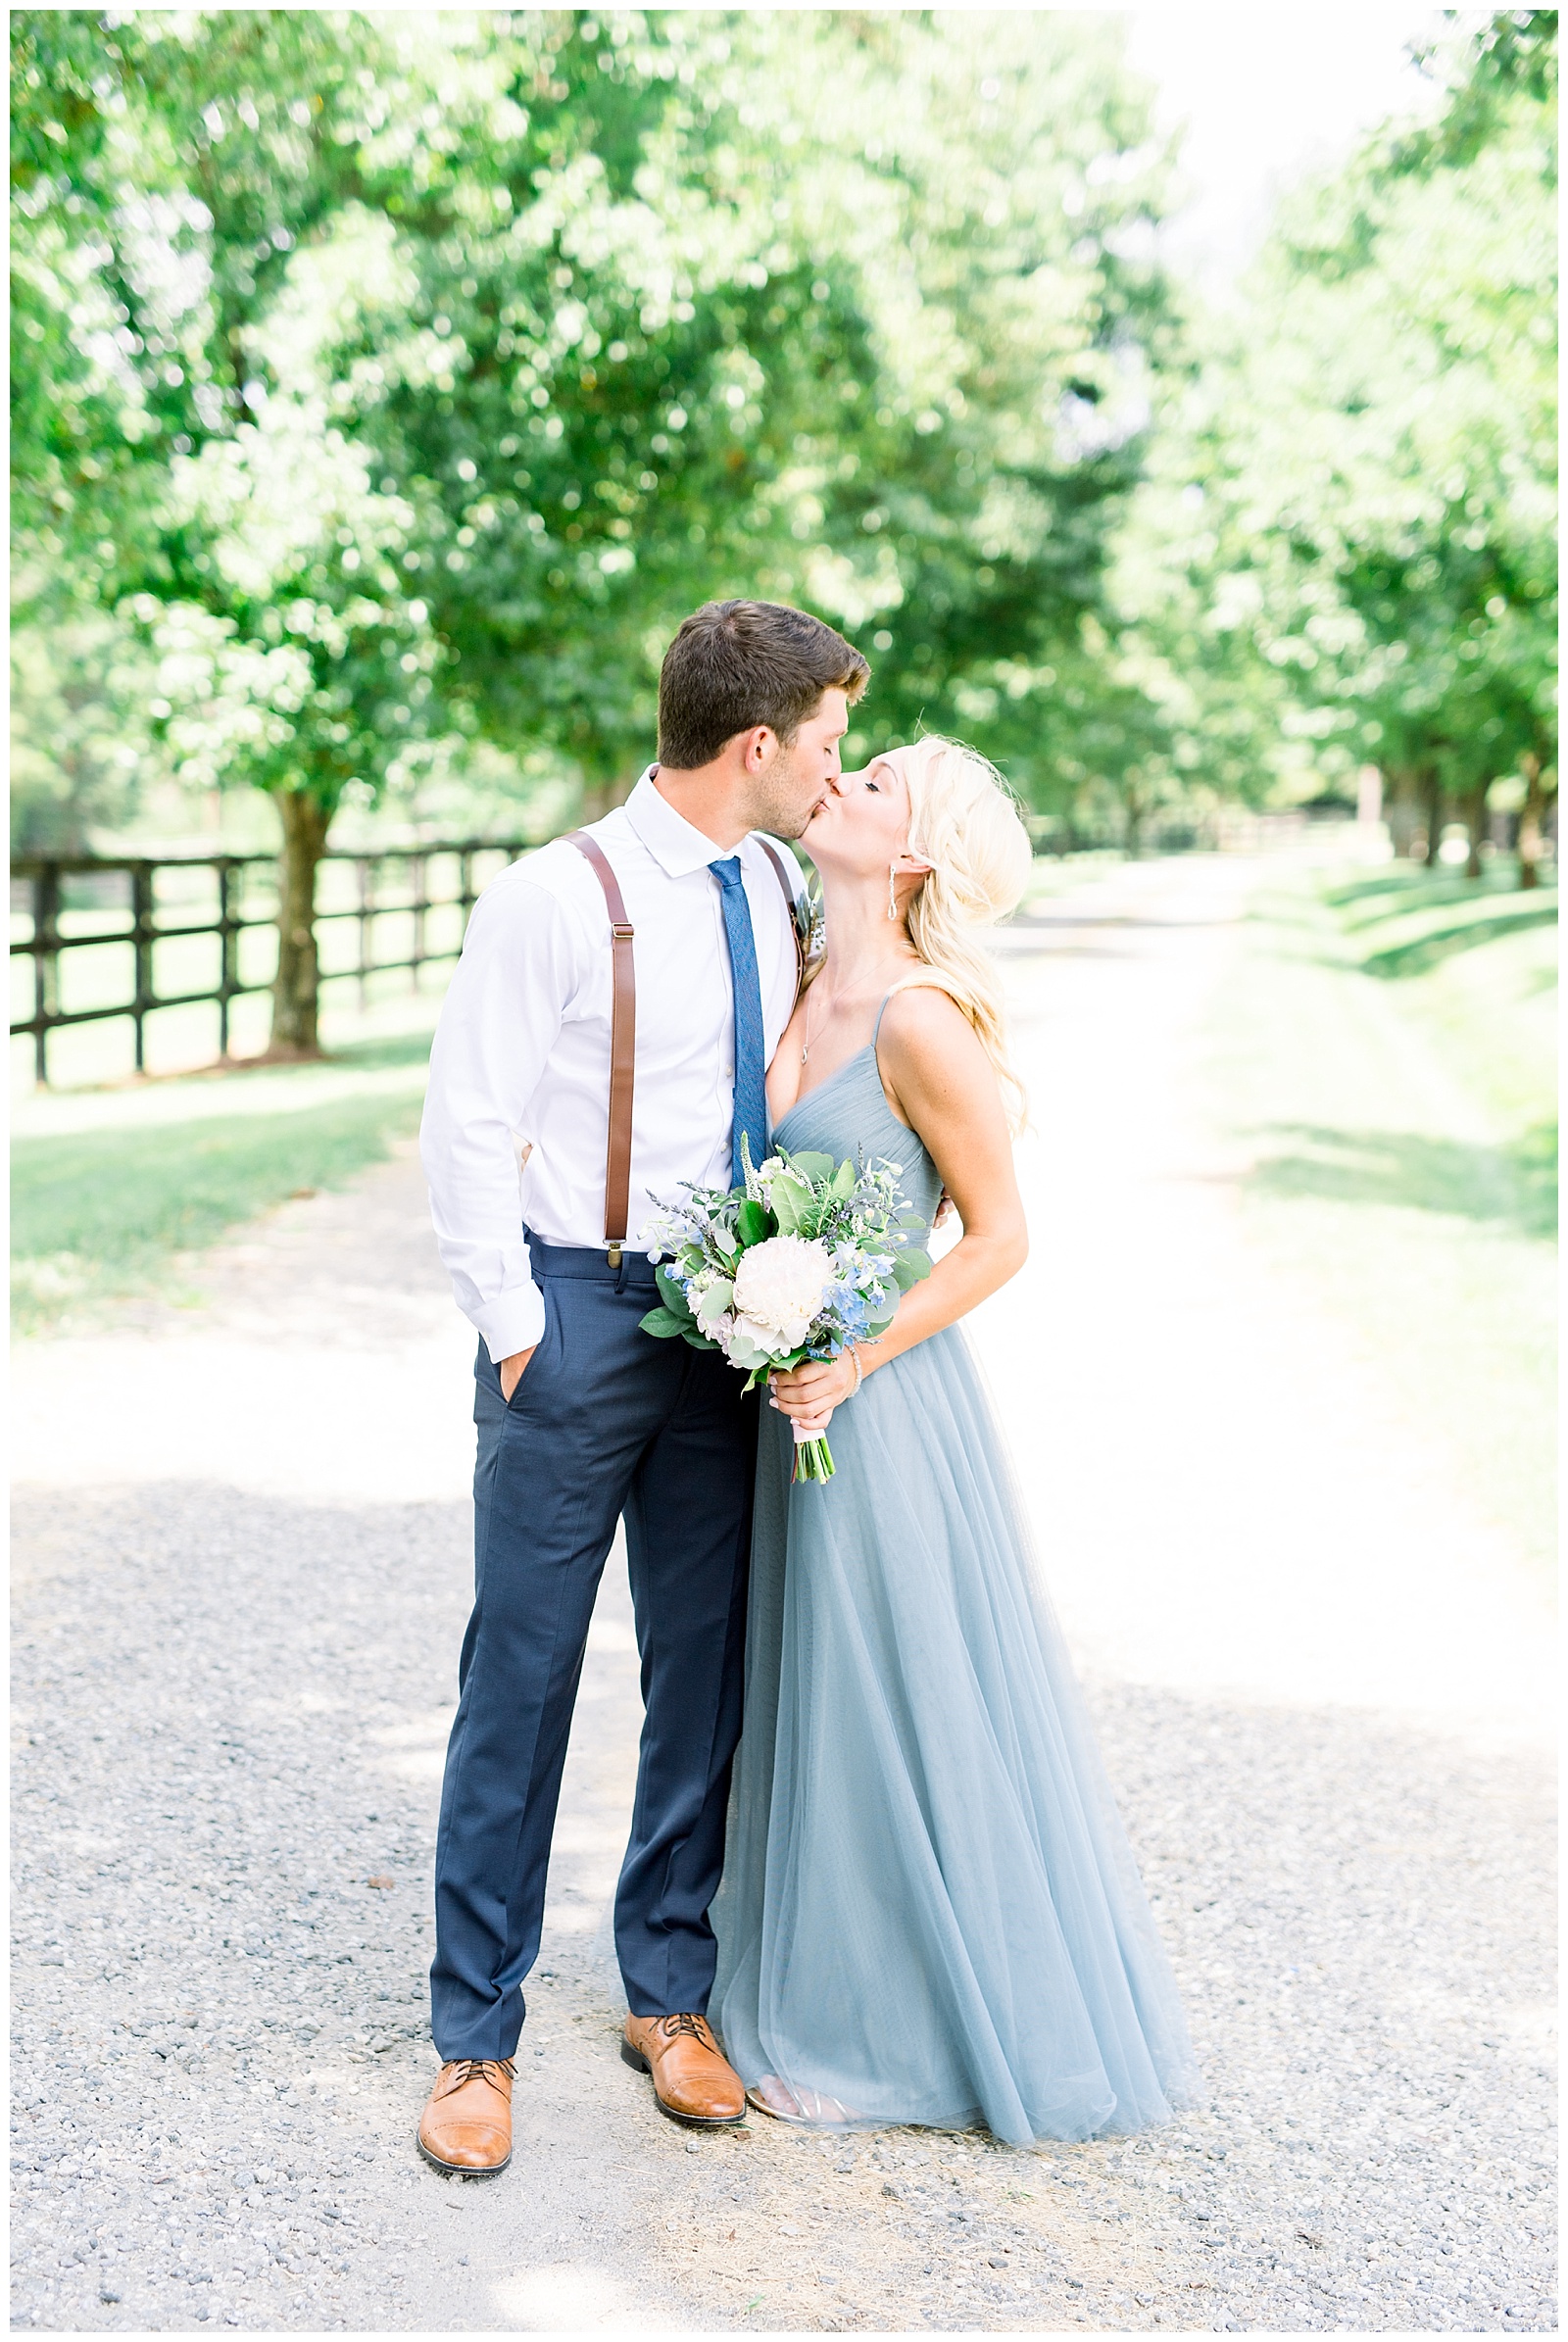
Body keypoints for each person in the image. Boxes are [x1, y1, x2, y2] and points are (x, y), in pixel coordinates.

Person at [416, 600, 869, 2173]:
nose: (836, 768)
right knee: (522, 1680)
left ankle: (666, 1994)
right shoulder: (556, 893)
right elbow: (467, 1117)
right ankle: (475, 2036)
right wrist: (514, 1322)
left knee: (706, 1673)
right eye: (825, 742)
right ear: (757, 744)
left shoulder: (776, 885)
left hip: (724, 1328)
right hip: (572, 1315)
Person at [710, 735, 1199, 2143]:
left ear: (910, 854)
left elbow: (1001, 1238)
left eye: (873, 784)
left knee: (886, 1701)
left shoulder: (922, 1019)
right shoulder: (793, 965)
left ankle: (887, 2025)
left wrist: (851, 1354)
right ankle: (787, 1976)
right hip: (785, 1385)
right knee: (799, 1690)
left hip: (879, 1403)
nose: (841, 780)